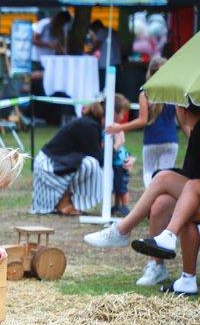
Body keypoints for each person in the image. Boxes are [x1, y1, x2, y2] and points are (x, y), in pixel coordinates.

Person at [84, 101, 200, 288]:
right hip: (194, 193)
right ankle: (157, 266)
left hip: (196, 192)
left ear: (181, 110)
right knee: (160, 204)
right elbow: (192, 173)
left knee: (163, 178)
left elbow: (193, 179)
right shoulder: (195, 131)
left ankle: (122, 230)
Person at [30, 95, 130, 216]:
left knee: (90, 164)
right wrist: (118, 144)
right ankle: (64, 198)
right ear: (113, 113)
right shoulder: (89, 126)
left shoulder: (91, 124)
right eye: (121, 113)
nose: (122, 117)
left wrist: (127, 157)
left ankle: (66, 199)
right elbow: (100, 159)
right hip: (49, 166)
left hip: (60, 162)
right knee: (91, 165)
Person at [105, 57, 178, 187]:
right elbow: (181, 119)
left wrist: (119, 127)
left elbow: (142, 121)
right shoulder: (174, 92)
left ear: (150, 73)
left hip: (151, 142)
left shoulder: (145, 94)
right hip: (171, 141)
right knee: (166, 179)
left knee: (149, 177)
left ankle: (150, 205)